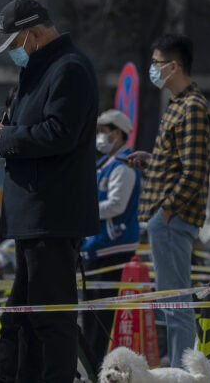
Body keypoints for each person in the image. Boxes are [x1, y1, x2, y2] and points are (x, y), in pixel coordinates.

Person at [0, 0, 99, 382]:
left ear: (33, 35)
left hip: (50, 214)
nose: (13, 54)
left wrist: (3, 137)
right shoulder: (40, 70)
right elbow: (19, 133)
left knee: (51, 320)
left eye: (14, 44)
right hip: (32, 216)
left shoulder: (68, 69)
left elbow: (57, 133)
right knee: (22, 319)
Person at [127, 33, 210, 368]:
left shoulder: (192, 107)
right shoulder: (179, 104)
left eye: (157, 63)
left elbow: (193, 173)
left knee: (175, 305)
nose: (153, 69)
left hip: (174, 220)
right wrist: (154, 160)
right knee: (172, 303)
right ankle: (179, 369)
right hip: (169, 220)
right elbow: (182, 164)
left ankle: (181, 372)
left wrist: (165, 210)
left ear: (174, 66)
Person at [82, 109, 141, 363]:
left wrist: (83, 212)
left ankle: (96, 366)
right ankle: (92, 364)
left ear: (117, 133)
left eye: (103, 132)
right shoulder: (105, 164)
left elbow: (117, 204)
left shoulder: (124, 165)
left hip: (112, 246)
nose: (99, 137)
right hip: (98, 244)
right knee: (91, 313)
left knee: (100, 316)